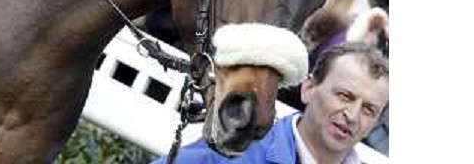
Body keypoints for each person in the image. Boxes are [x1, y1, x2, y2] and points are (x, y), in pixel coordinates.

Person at [152, 43, 389, 163]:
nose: (353, 115)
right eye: (344, 96)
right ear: (308, 89)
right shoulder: (229, 156)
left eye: (369, 109)